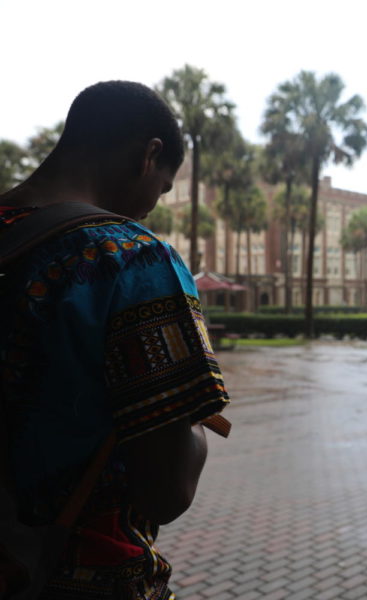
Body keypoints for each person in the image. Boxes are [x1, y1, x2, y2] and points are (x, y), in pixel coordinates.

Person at [0, 81, 229, 599]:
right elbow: (166, 492)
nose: (152, 205)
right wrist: (191, 426)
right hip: (80, 577)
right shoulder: (131, 258)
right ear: (149, 156)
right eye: (163, 187)